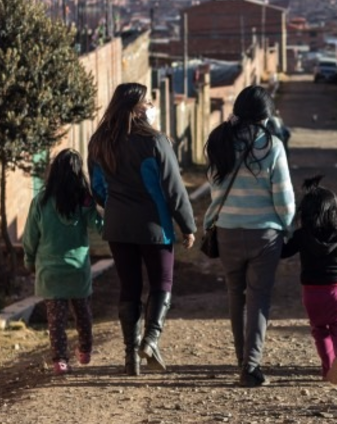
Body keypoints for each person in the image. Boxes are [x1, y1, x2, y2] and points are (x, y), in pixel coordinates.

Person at [88, 83, 196, 376]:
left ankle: (130, 357)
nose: (150, 107)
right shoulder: (155, 141)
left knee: (129, 287)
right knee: (162, 282)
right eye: (147, 102)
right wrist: (187, 225)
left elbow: (97, 187)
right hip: (154, 226)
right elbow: (173, 188)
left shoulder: (99, 141)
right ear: (136, 108)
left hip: (117, 227)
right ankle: (150, 339)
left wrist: (114, 206)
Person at [203, 85, 295, 388]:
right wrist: (287, 226)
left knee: (235, 295)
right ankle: (250, 366)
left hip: (227, 231)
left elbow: (214, 189)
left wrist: (210, 222)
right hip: (264, 236)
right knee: (258, 298)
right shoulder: (271, 146)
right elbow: (284, 198)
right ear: (264, 116)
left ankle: (241, 358)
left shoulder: (219, 141)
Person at [22, 148, 103, 375]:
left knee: (56, 321)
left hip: (50, 271)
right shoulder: (83, 202)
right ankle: (85, 350)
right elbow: (101, 228)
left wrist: (29, 260)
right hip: (77, 270)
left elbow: (30, 237)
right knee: (83, 314)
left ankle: (60, 361)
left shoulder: (40, 201)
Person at [281, 175, 337, 386]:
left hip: (311, 293)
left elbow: (283, 252)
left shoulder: (302, 235)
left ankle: (327, 368)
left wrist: (279, 234)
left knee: (320, 330)